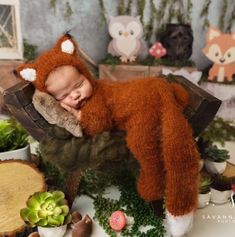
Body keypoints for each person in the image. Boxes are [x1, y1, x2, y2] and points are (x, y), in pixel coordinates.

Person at [16, 34, 200, 237]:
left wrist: (80, 116)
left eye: (78, 85)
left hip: (143, 102)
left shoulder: (94, 99)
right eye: (64, 96)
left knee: (144, 145)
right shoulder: (95, 90)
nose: (75, 95)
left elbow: (97, 124)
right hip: (153, 88)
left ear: (86, 74)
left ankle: (161, 191)